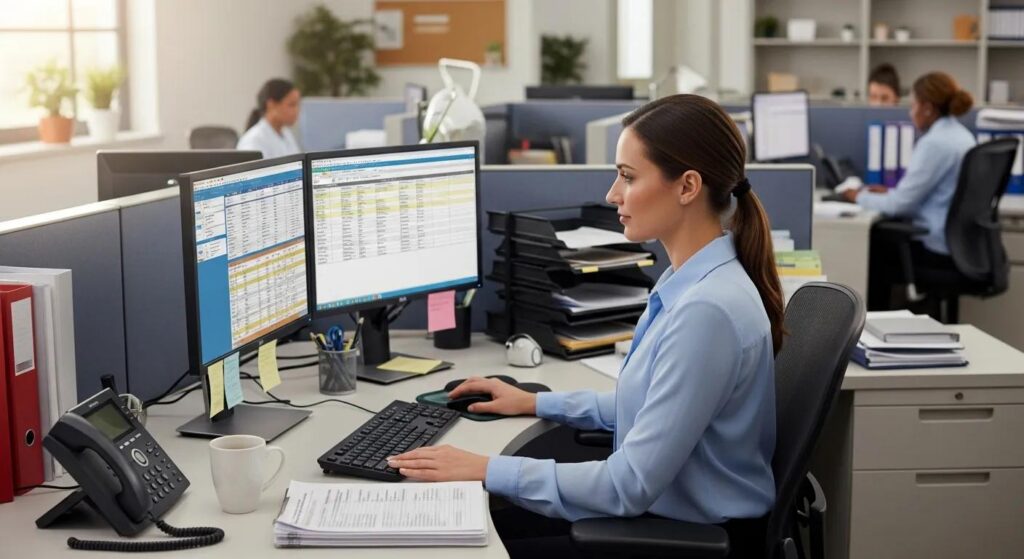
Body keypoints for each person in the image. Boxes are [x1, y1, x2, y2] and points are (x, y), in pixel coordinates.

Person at [387, 95, 784, 558]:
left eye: (628, 176)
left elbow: (627, 485)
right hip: (667, 517)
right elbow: (648, 408)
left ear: (687, 186)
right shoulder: (691, 280)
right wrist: (535, 402)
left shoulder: (708, 311)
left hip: (681, 538)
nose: (612, 194)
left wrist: (485, 467)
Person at [843, 71, 975, 310]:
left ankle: (871, 330)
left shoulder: (935, 143)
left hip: (936, 246)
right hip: (958, 244)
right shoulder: (960, 135)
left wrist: (858, 196)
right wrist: (889, 193)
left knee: (875, 250)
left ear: (927, 107)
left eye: (913, 104)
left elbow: (899, 205)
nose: (910, 111)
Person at [237, 78, 301, 158]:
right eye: (291, 105)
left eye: (298, 105)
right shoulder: (254, 141)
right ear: (271, 104)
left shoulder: (286, 133)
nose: (297, 110)